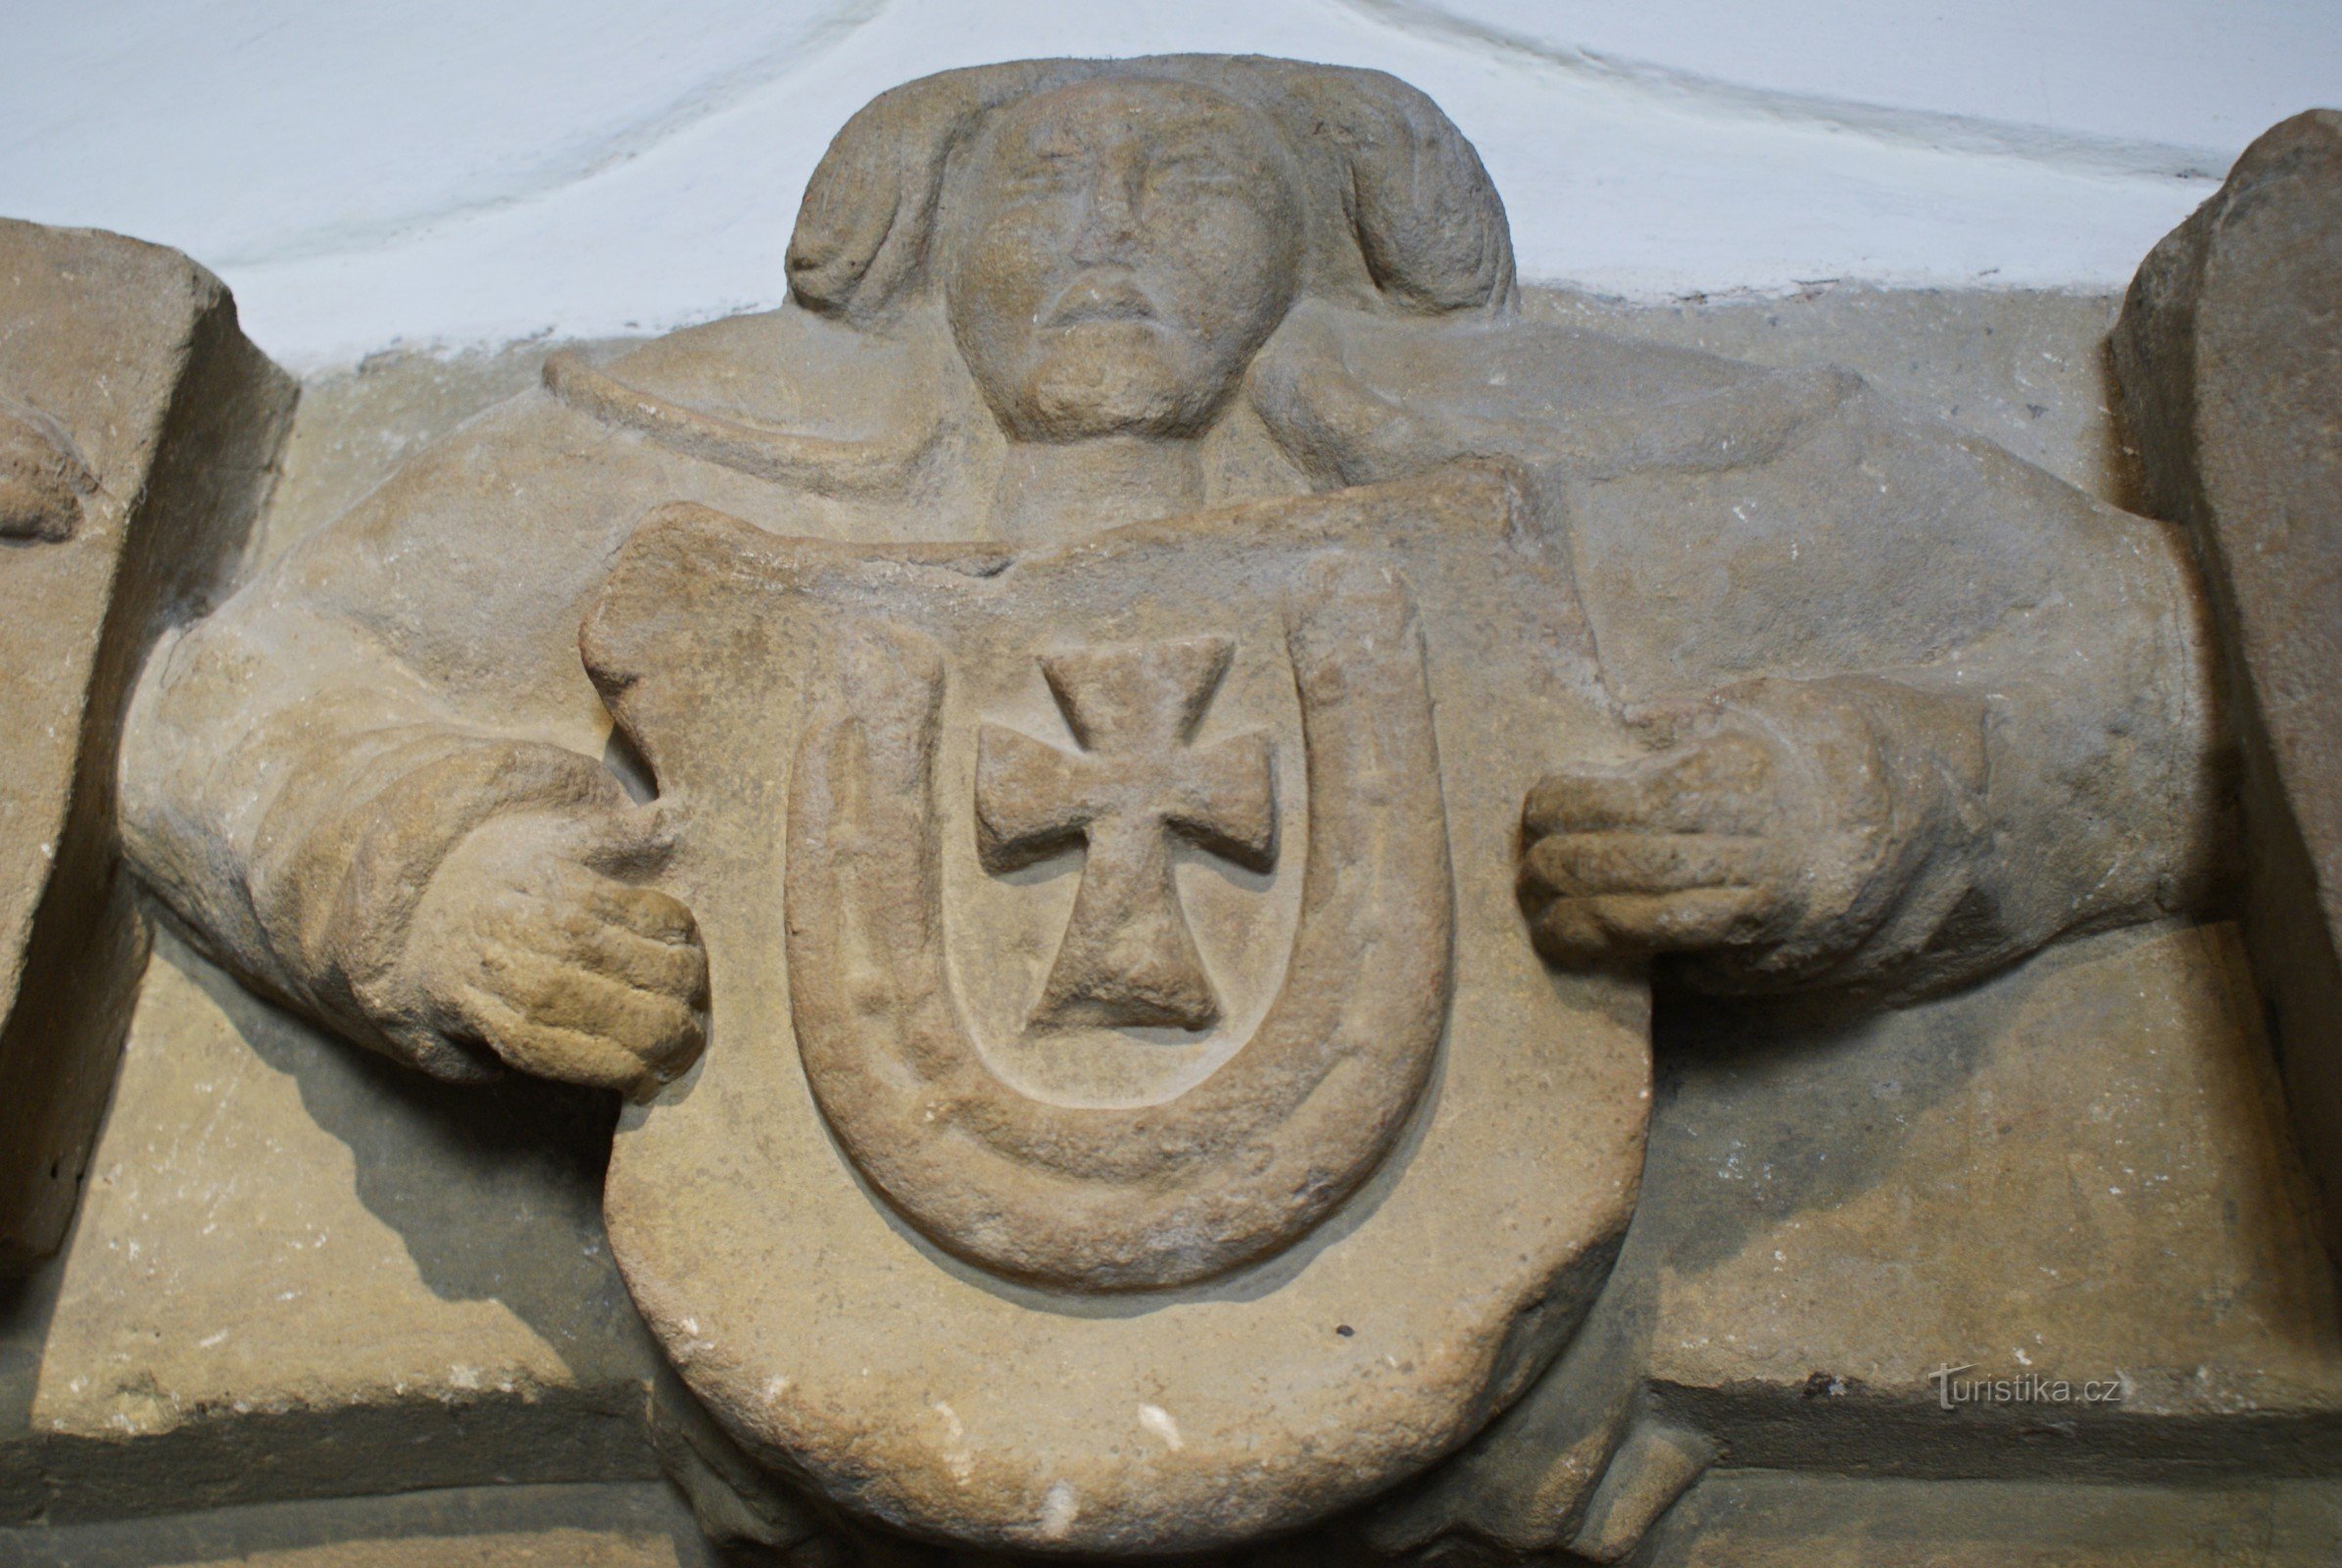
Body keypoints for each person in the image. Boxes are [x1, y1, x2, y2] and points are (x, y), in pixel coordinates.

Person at [122, 55, 2222, 1109]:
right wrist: (428, 881)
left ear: (1314, 257)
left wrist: (1854, 800)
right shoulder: (662, 459)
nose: (1109, 228)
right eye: (1043, 179)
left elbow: (2156, 668)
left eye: (1193, 183)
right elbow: (225, 699)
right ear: (933, 249)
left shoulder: (1654, 462)